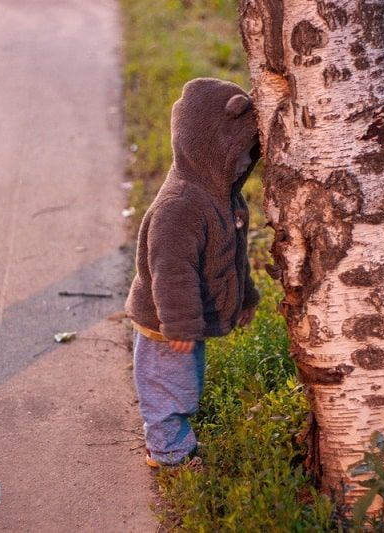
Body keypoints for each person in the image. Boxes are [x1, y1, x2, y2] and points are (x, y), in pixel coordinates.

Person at [124, 77, 262, 468]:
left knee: (185, 383)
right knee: (167, 388)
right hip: (167, 319)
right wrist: (181, 323)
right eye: (238, 155)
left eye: (249, 157)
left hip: (185, 318)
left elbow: (234, 259)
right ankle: (168, 452)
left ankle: (172, 440)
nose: (244, 164)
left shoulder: (223, 199)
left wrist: (245, 297)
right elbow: (170, 271)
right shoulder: (181, 205)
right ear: (207, 148)